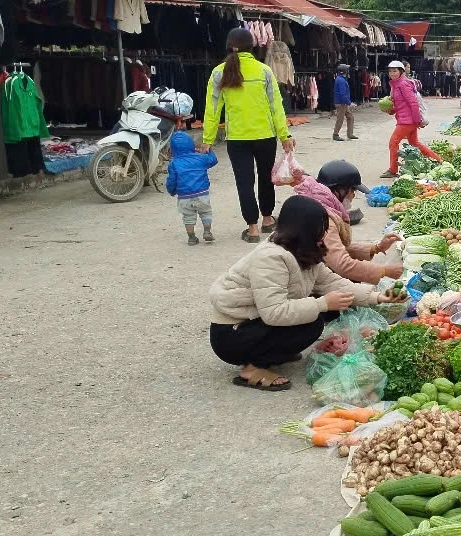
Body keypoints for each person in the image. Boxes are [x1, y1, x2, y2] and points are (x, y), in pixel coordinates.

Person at [209, 196, 406, 391]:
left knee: (311, 320)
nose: (322, 236)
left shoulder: (302, 249)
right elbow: (273, 312)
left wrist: (377, 297)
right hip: (232, 334)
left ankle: (274, 352)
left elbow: (331, 282)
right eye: (318, 230)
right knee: (312, 321)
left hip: (255, 322)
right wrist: (323, 304)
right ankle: (251, 369)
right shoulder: (270, 257)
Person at [200, 28, 295, 244]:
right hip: (265, 136)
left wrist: (207, 139)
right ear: (252, 46)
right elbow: (276, 107)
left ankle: (252, 229)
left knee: (244, 182)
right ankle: (268, 219)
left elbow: (212, 109)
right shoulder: (264, 71)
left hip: (237, 139)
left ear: (231, 46)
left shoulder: (219, 73)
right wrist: (284, 135)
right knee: (265, 178)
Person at [292, 159, 405, 283]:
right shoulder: (324, 218)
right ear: (338, 190)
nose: (353, 195)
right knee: (352, 281)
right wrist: (383, 271)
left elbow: (333, 248)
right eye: (352, 190)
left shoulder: (316, 201)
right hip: (303, 278)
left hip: (307, 268)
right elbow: (342, 264)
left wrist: (376, 248)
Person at [382, 60, 441, 178]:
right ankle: (438, 160)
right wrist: (391, 110)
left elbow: (413, 103)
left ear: (401, 71)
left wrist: (417, 120)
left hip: (407, 121)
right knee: (414, 143)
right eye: (390, 71)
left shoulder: (403, 84)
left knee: (393, 142)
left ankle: (393, 170)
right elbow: (400, 105)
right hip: (407, 119)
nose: (392, 74)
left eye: (395, 71)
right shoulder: (396, 85)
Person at [165, 132, 217, 245]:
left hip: (184, 196)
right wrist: (209, 151)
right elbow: (213, 160)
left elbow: (171, 180)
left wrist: (171, 191)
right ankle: (207, 231)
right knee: (206, 212)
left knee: (188, 217)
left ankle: (192, 238)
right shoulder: (200, 158)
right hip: (202, 193)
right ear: (191, 145)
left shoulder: (173, 163)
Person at [332, 64, 356, 142]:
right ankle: (335, 134)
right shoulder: (341, 80)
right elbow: (343, 94)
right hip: (341, 103)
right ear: (344, 71)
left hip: (343, 102)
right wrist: (349, 103)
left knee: (350, 117)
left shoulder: (341, 79)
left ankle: (350, 134)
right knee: (340, 119)